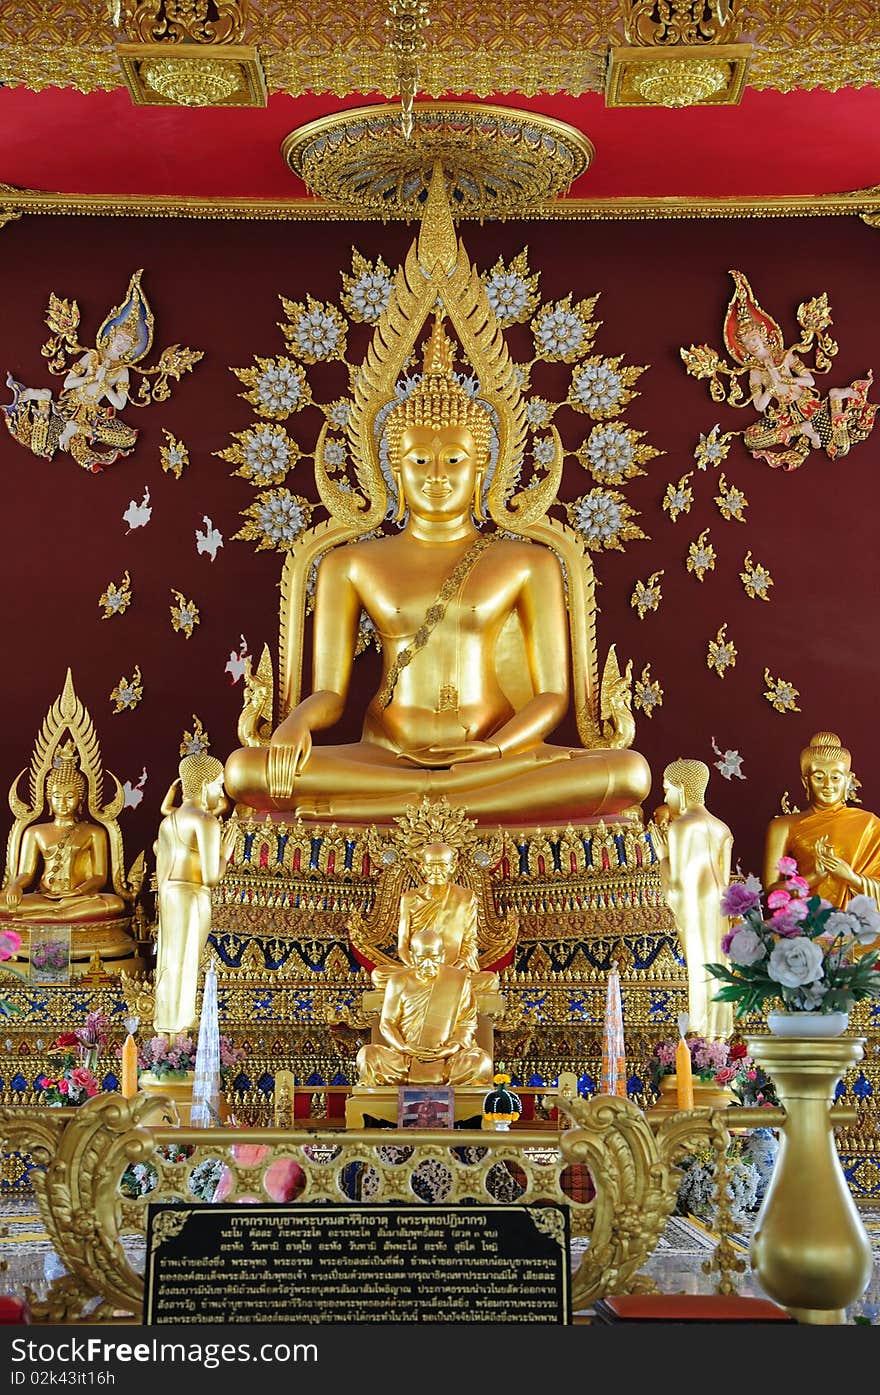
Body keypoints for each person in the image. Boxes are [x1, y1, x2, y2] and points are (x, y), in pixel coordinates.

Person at [224, 316, 651, 824]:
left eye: (454, 459)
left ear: (482, 469)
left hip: (497, 759)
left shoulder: (528, 561)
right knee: (244, 771)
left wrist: (492, 753)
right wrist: (296, 723)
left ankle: (401, 807)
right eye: (419, 461)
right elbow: (331, 695)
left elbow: (552, 695)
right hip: (386, 757)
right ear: (394, 471)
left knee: (627, 772)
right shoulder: (350, 562)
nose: (437, 477)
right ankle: (433, 801)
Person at [153, 754, 237, 1036]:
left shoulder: (168, 822)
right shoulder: (205, 821)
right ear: (204, 786)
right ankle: (182, 1029)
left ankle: (164, 1027)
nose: (220, 792)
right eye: (218, 785)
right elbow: (212, 877)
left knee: (169, 958)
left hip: (169, 893)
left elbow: (161, 868)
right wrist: (225, 854)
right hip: (192, 893)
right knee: (188, 960)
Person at [0, 740, 125, 926]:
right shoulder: (34, 832)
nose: (63, 803)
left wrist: (78, 892)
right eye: (57, 797)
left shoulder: (94, 832)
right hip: (43, 897)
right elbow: (26, 872)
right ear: (48, 799)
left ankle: (52, 917)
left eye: (70, 796)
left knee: (114, 903)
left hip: (78, 898)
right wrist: (16, 886)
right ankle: (56, 913)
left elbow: (99, 877)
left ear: (81, 798)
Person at [654, 758, 733, 1041]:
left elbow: (677, 886)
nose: (665, 797)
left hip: (695, 902)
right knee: (718, 961)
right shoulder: (723, 828)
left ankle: (699, 1028)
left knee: (700, 962)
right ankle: (720, 1031)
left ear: (682, 789)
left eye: (667, 790)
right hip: (718, 903)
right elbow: (725, 882)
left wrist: (663, 858)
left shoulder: (682, 827)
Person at [356, 925, 494, 1087]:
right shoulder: (398, 981)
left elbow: (466, 1024)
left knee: (481, 1062)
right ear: (412, 956)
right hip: (404, 1059)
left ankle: (435, 1078)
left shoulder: (458, 980)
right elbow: (388, 1023)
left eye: (434, 957)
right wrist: (404, 1047)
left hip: (448, 1060)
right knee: (367, 1056)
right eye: (421, 958)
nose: (428, 964)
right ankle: (420, 1078)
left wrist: (450, 1049)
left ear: (442, 955)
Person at [764, 732, 880, 913]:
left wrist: (851, 878)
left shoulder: (870, 825)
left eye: (836, 777)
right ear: (805, 782)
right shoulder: (783, 826)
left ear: (848, 780)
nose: (827, 785)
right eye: (819, 777)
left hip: (860, 929)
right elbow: (771, 890)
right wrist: (813, 878)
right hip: (808, 927)